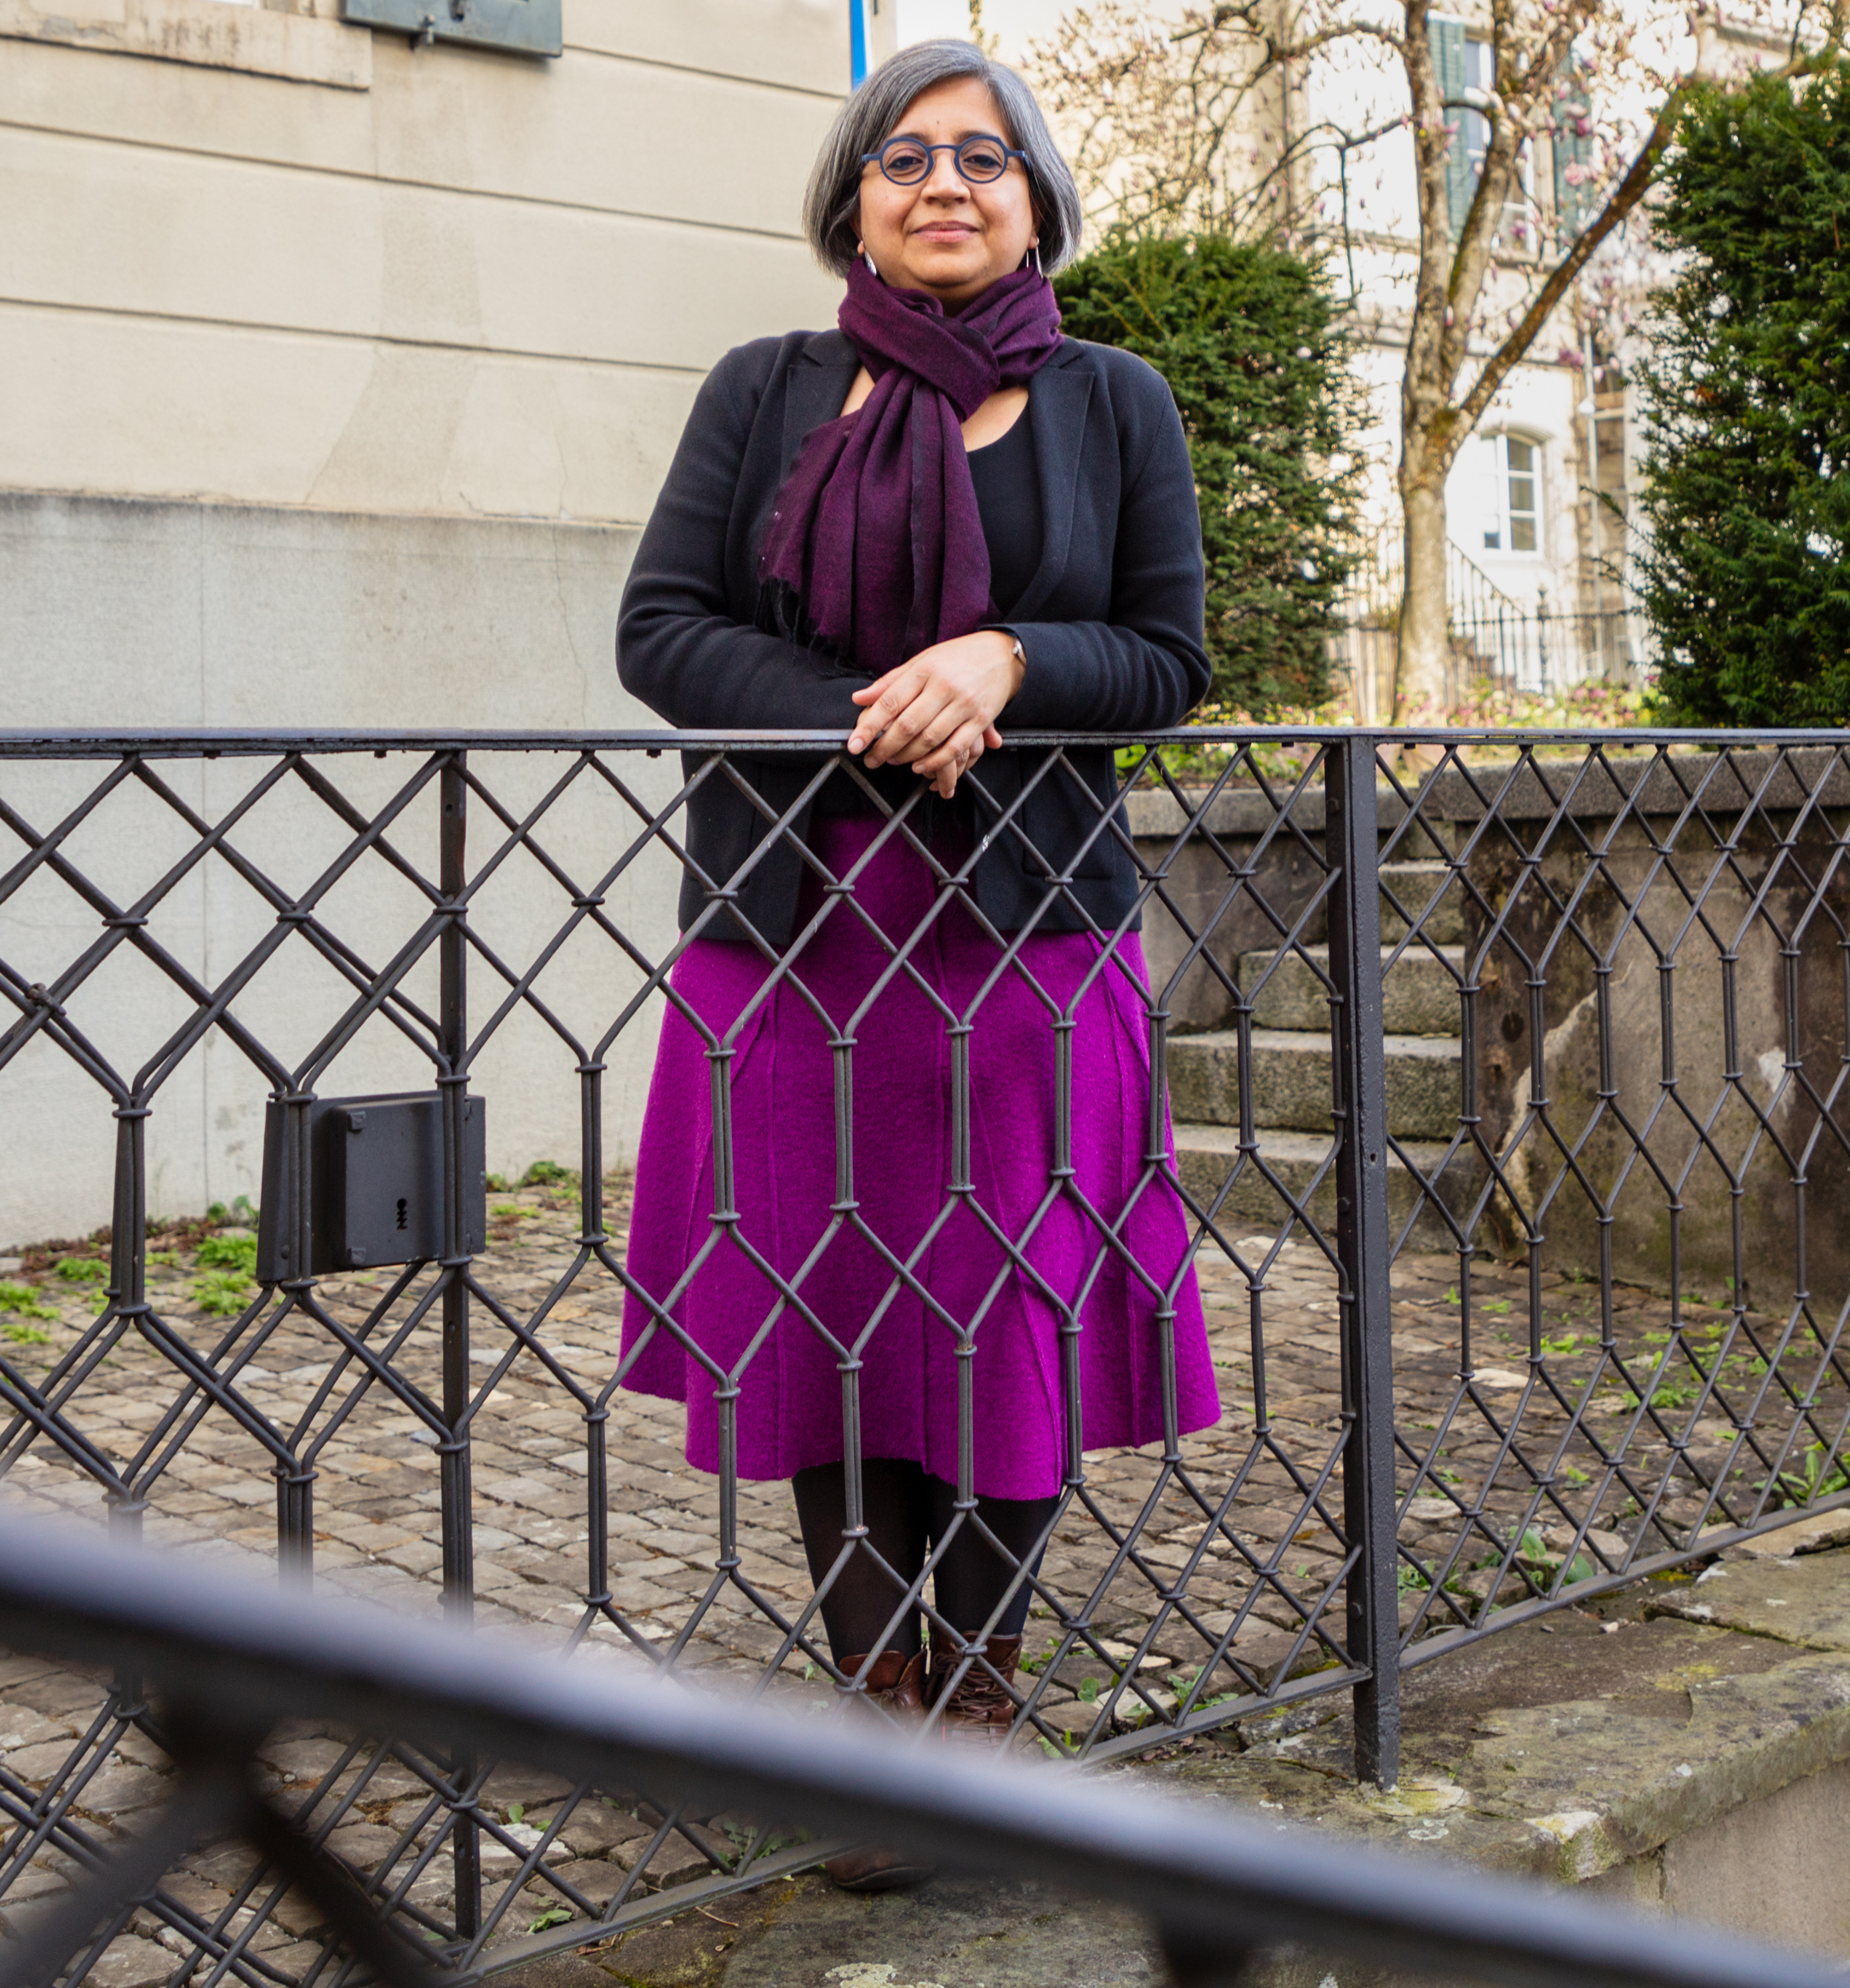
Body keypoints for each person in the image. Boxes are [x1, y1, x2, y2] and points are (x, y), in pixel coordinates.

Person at [611, 37, 1225, 1888]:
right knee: (834, 1327)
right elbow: (661, 629)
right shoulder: (766, 390)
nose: (941, 182)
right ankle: (886, 1714)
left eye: (983, 157)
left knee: (1007, 1314)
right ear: (850, 199)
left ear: (1035, 197)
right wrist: (877, 712)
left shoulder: (1112, 400)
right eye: (903, 156)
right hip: (798, 943)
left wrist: (1010, 666)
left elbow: (1167, 657)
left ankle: (975, 1697)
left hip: (1024, 950)